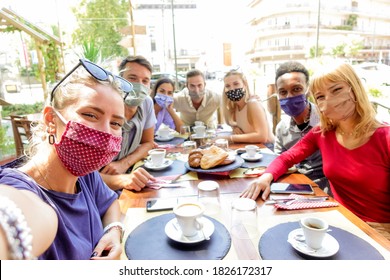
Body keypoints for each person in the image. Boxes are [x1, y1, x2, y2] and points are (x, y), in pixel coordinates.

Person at [0, 58, 130, 259]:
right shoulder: (20, 189)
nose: (105, 133)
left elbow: (110, 203)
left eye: (115, 123)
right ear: (51, 120)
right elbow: (16, 217)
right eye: (91, 115)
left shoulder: (84, 174)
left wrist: (114, 229)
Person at [241, 63, 390, 227]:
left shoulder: (385, 137)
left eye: (336, 90)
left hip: (380, 229)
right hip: (339, 217)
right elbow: (287, 158)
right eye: (320, 96)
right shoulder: (323, 133)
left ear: (354, 88)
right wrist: (265, 178)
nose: (329, 99)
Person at [100, 56, 156, 192]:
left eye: (145, 81)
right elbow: (82, 176)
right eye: (132, 78)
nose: (139, 85)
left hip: (129, 174)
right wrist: (123, 179)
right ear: (119, 79)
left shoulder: (147, 103)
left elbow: (149, 143)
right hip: (101, 186)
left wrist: (123, 164)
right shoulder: (104, 106)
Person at [273, 61, 330, 193]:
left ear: (307, 90)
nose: (289, 96)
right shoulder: (282, 128)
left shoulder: (327, 120)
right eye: (283, 92)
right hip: (294, 187)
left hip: (326, 190)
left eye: (296, 89)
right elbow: (279, 161)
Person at [218, 70, 274, 146]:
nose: (232, 89)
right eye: (228, 86)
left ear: (245, 84)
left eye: (236, 84)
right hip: (251, 148)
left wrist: (229, 138)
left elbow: (262, 137)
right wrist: (234, 128)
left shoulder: (253, 103)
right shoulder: (235, 107)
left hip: (266, 148)